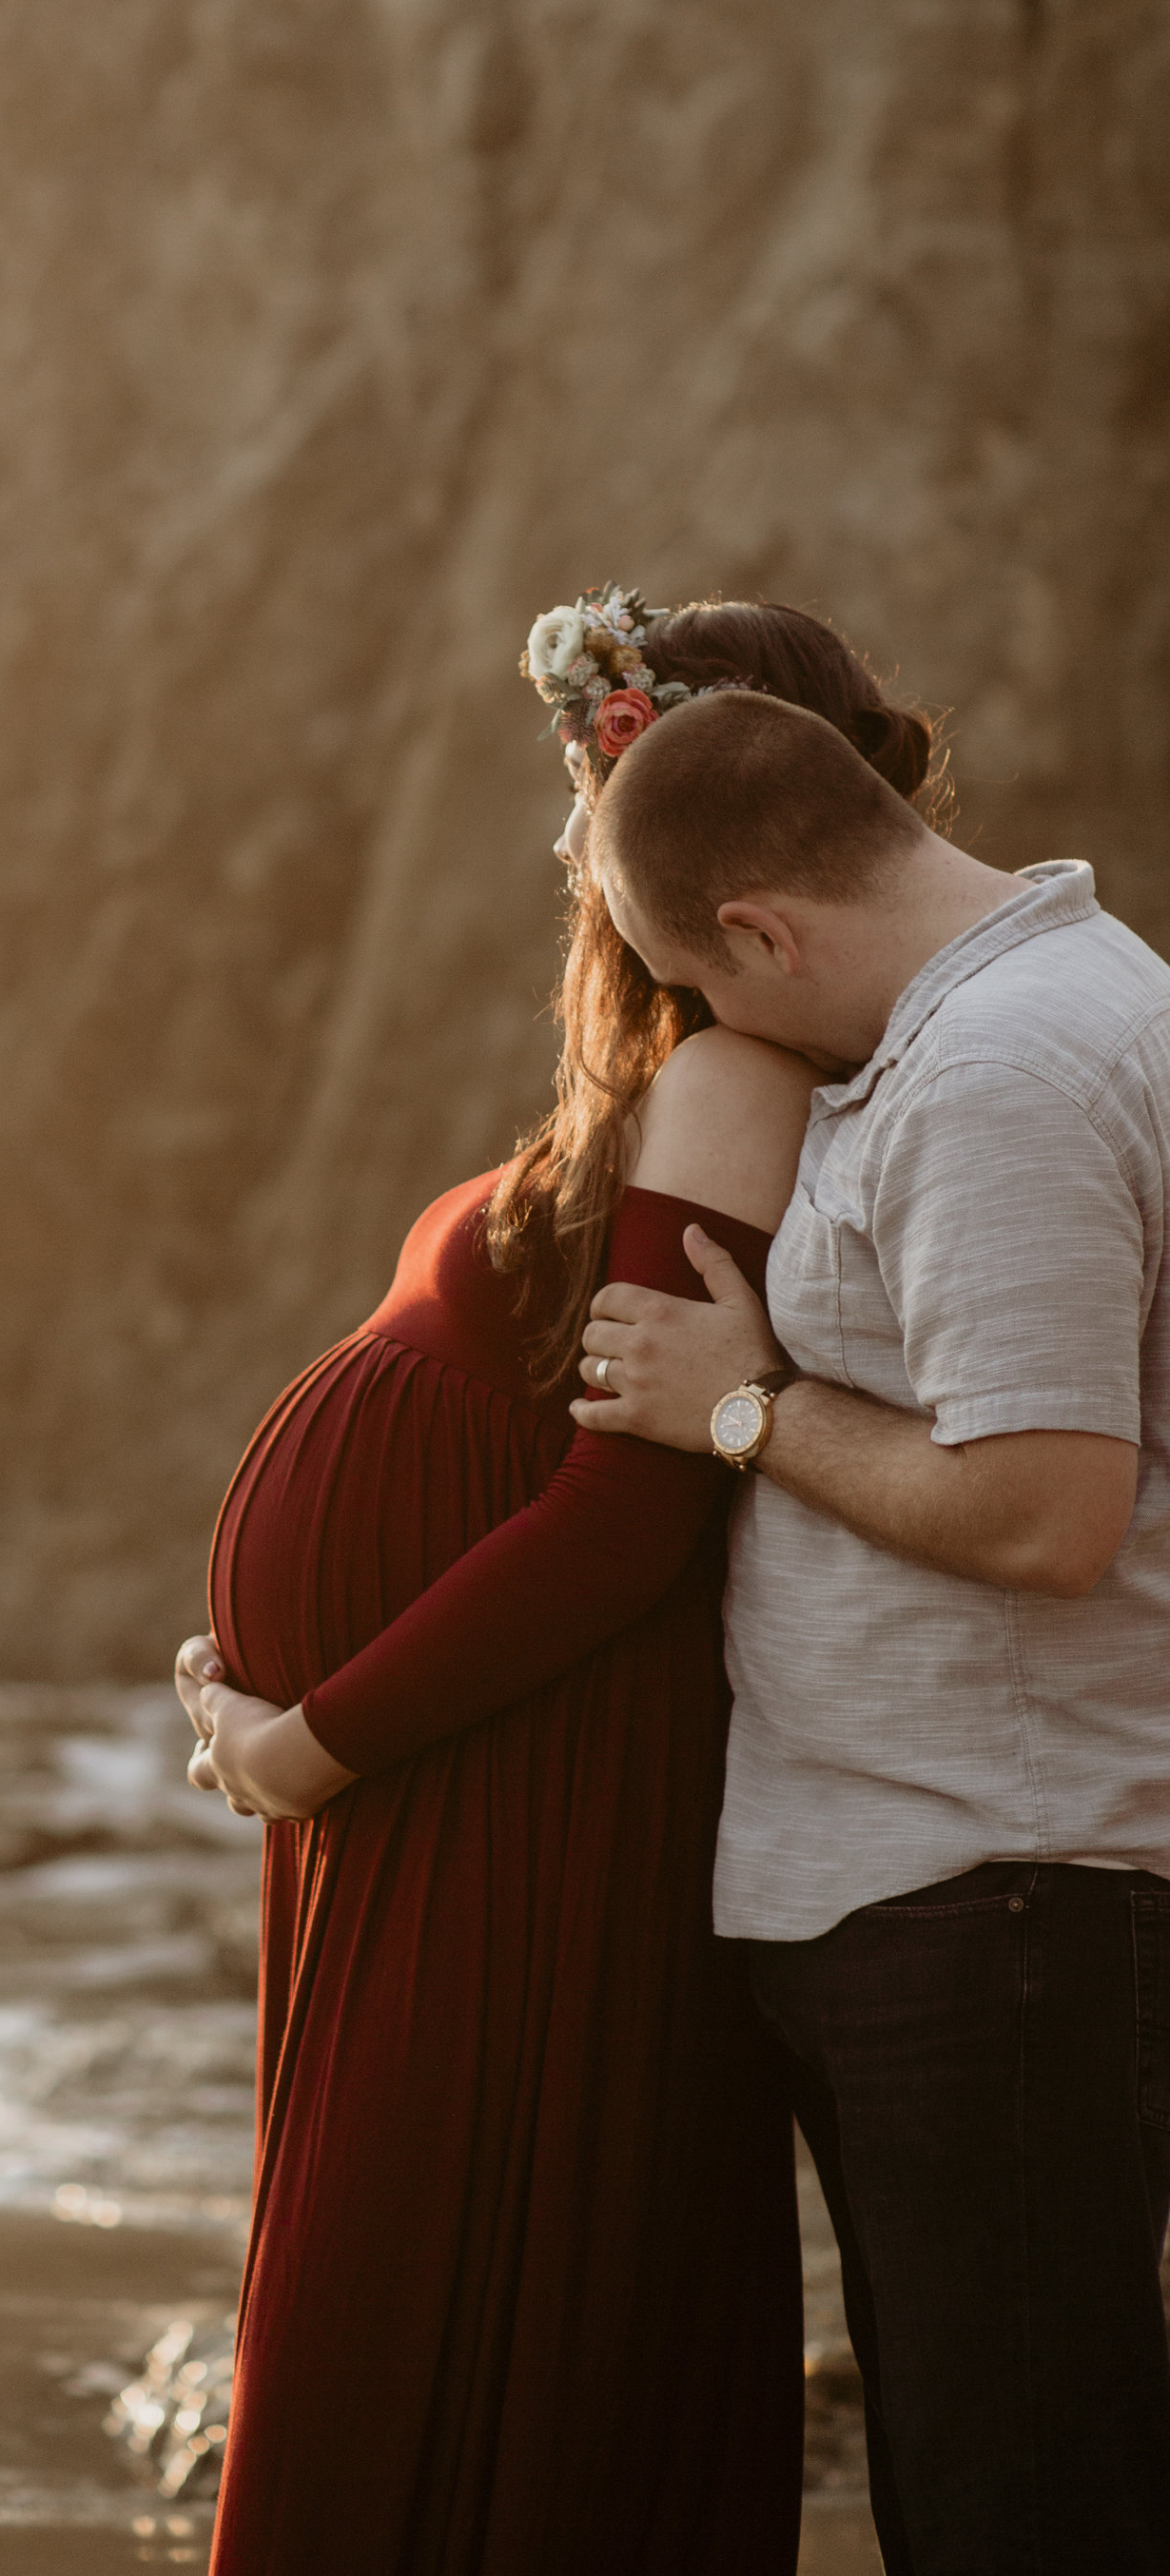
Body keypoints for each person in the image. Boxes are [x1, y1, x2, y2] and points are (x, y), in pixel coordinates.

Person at [175, 590, 927, 2573]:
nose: (581, 845)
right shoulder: (680, 1072)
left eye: (609, 791)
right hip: (463, 1783)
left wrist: (314, 1745)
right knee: (395, 2320)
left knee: (435, 2340)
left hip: (518, 1800)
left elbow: (625, 1516)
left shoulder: (734, 1082)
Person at [565, 685, 1170, 2576]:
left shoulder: (1000, 1072)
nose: (728, 1039)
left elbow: (1040, 1511)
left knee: (1021, 2499)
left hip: (999, 1902)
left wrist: (738, 1408)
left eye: (709, 989)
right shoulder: (1019, 1018)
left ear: (757, 931)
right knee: (989, 2466)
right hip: (954, 1891)